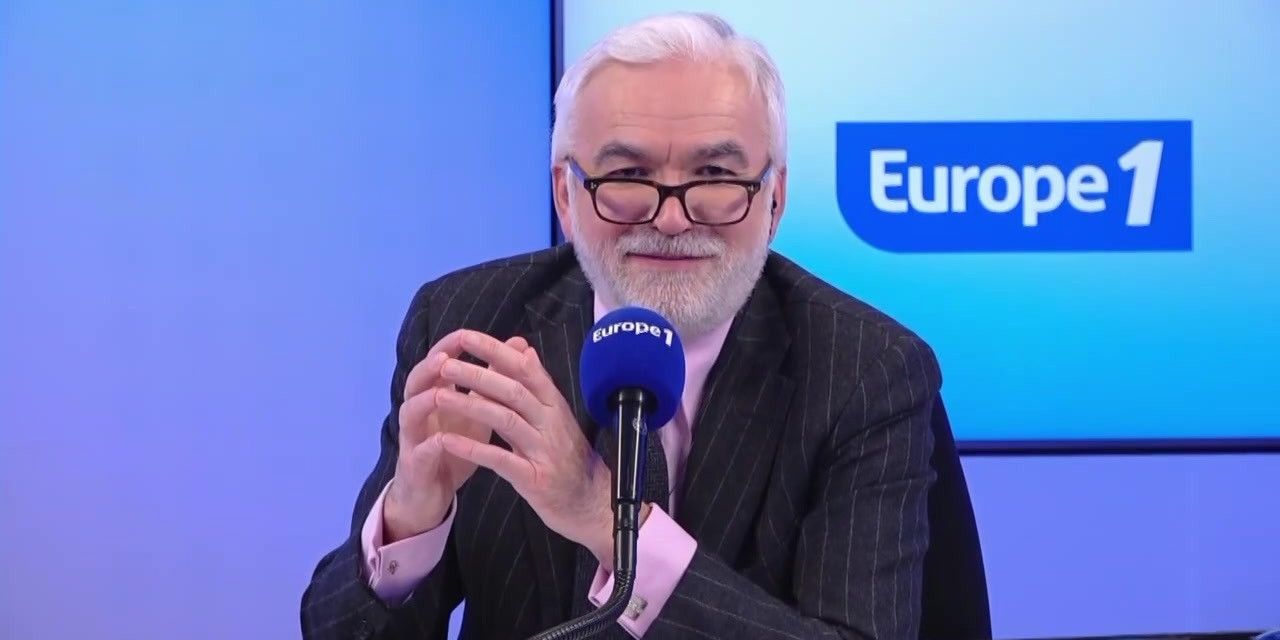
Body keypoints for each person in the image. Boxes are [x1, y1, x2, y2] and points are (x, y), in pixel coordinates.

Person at [302, 12, 943, 639]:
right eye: (629, 175)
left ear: (773, 200)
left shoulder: (864, 372)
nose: (671, 219)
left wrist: (602, 517)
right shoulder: (472, 326)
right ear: (566, 195)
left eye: (715, 176)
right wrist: (412, 519)